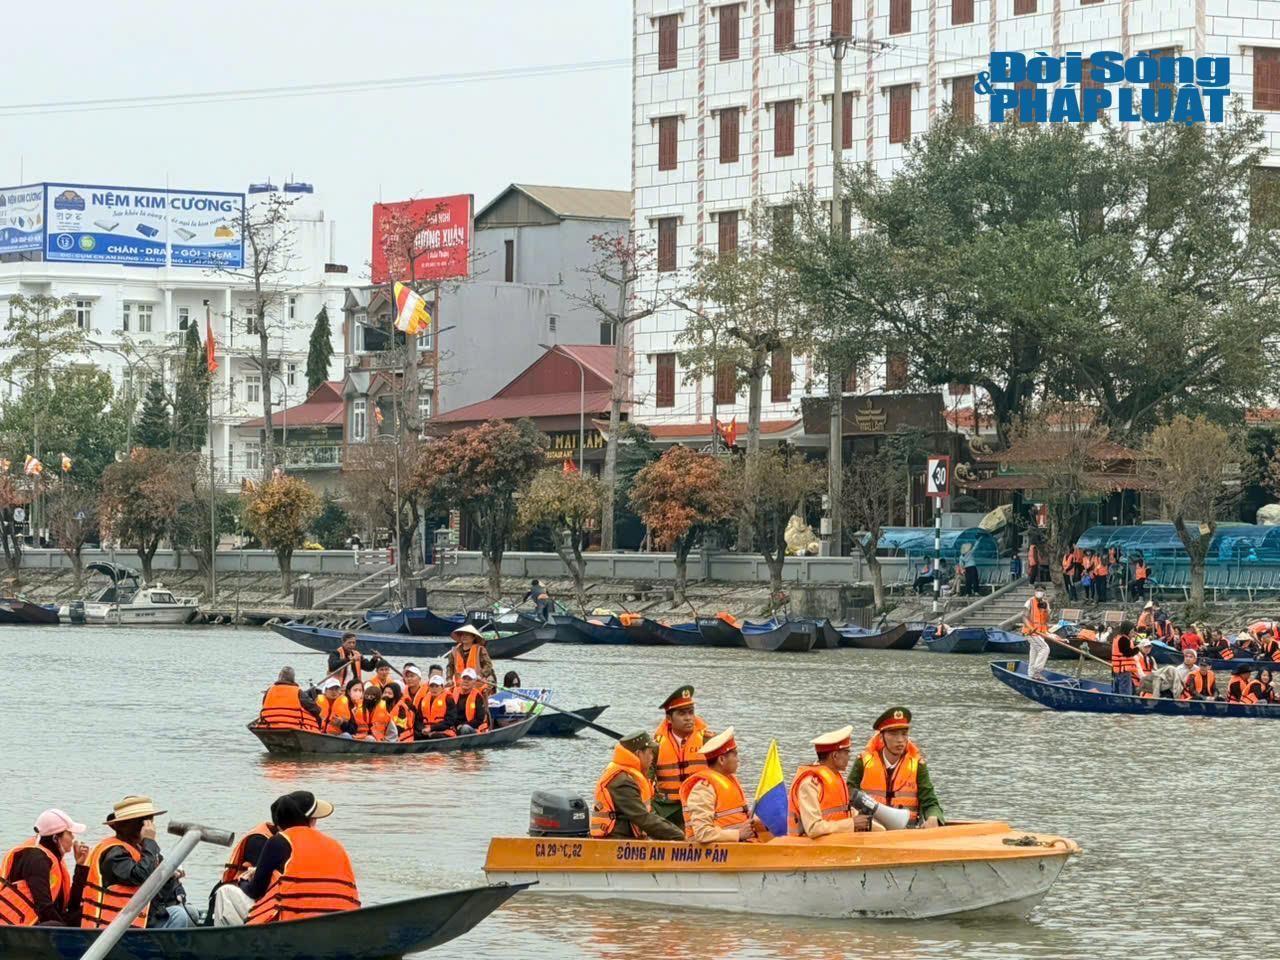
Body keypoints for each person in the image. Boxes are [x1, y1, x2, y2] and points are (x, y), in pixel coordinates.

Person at [244, 791, 360, 926]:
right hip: (346, 921)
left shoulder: (278, 841)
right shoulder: (336, 845)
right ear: (310, 820)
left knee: (225, 892)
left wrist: (243, 881)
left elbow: (255, 890)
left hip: (294, 923)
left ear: (279, 825)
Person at [81, 796, 191, 930]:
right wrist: (149, 841)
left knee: (191, 913)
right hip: (116, 928)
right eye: (145, 822)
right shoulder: (114, 853)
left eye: (150, 821)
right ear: (126, 825)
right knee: (179, 915)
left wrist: (172, 876)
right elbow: (140, 876)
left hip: (142, 918)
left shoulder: (139, 848)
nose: (149, 826)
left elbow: (159, 881)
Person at [846, 708, 944, 828]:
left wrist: (934, 817)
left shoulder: (918, 765)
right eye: (893, 734)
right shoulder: (863, 762)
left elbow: (930, 802)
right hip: (872, 831)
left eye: (904, 734)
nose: (900, 740)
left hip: (906, 831)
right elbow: (848, 795)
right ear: (881, 737)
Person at [0, 809, 90, 926]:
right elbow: (44, 907)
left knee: (89, 911)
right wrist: (67, 929)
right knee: (57, 924)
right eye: (69, 833)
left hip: (41, 922)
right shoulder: (37, 859)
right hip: (20, 928)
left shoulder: (52, 858)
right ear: (55, 838)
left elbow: (73, 906)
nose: (73, 837)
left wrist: (80, 866)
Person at [589, 732, 684, 841]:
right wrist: (680, 836)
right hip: (616, 841)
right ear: (638, 753)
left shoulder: (630, 776)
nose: (653, 757)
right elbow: (643, 818)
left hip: (628, 840)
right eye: (650, 753)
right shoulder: (622, 781)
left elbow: (648, 816)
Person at [679, 728, 762, 843]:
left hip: (736, 848)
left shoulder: (729, 780)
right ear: (722, 760)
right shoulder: (703, 789)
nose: (738, 760)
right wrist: (738, 834)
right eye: (735, 755)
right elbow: (702, 834)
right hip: (716, 855)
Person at [651, 686, 710, 828]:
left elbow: (722, 777)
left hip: (699, 806)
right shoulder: (655, 746)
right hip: (667, 808)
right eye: (682, 714)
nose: (689, 718)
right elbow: (645, 783)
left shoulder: (707, 741)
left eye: (691, 712)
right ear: (669, 718)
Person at [788, 726, 857, 837]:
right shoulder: (810, 784)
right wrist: (852, 824)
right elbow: (813, 828)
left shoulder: (835, 778)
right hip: (807, 849)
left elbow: (844, 811)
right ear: (835, 755)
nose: (848, 757)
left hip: (837, 843)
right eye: (846, 752)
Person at [209, 821, 275, 926]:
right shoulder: (259, 841)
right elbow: (258, 888)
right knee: (223, 892)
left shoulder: (283, 840)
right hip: (239, 892)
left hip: (252, 894)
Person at [255, 666, 321, 731]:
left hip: (269, 726)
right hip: (292, 727)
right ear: (293, 679)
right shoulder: (298, 692)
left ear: (279, 677)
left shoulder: (269, 691)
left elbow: (264, 706)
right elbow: (316, 710)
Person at [445, 625, 496, 691]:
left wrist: (482, 674)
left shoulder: (480, 650)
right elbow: (450, 666)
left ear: (473, 637)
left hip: (476, 685)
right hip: (460, 686)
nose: (464, 637)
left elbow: (488, 665)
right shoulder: (454, 651)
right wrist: (449, 679)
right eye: (462, 635)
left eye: (467, 635)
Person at [1023, 588, 1052, 680]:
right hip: (1031, 632)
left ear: (1044, 592)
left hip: (1041, 633)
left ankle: (1031, 674)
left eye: (1041, 590)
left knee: (1034, 652)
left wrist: (1045, 610)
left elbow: (1047, 620)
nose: (1039, 592)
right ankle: (1037, 671)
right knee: (1045, 649)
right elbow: (1024, 617)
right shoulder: (1029, 602)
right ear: (1035, 592)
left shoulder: (1045, 603)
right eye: (1038, 590)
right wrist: (1031, 628)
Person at [452, 669, 490, 735]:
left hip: (472, 727)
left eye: (469, 679)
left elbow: (479, 719)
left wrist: (463, 725)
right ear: (461, 680)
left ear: (474, 682)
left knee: (465, 728)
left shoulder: (477, 696)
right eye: (464, 678)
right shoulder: (453, 692)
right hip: (455, 726)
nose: (466, 681)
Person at [1109, 621, 1140, 696]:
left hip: (1118, 669)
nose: (1133, 633)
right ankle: (1125, 702)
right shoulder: (1123, 639)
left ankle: (1121, 700)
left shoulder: (1119, 637)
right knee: (1125, 690)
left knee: (1122, 687)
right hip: (1123, 669)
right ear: (1127, 630)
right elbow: (1128, 653)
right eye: (1131, 631)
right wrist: (1139, 648)